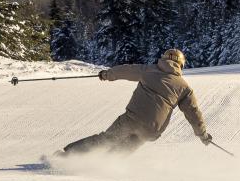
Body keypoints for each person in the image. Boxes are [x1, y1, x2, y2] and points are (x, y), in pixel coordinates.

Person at [55, 48, 212, 158]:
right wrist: (202, 135)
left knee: (106, 139)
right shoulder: (184, 87)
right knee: (126, 147)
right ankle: (104, 165)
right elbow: (193, 113)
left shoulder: (148, 70)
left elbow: (126, 70)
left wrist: (107, 74)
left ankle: (68, 156)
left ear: (163, 59)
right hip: (152, 130)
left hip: (132, 119)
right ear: (181, 65)